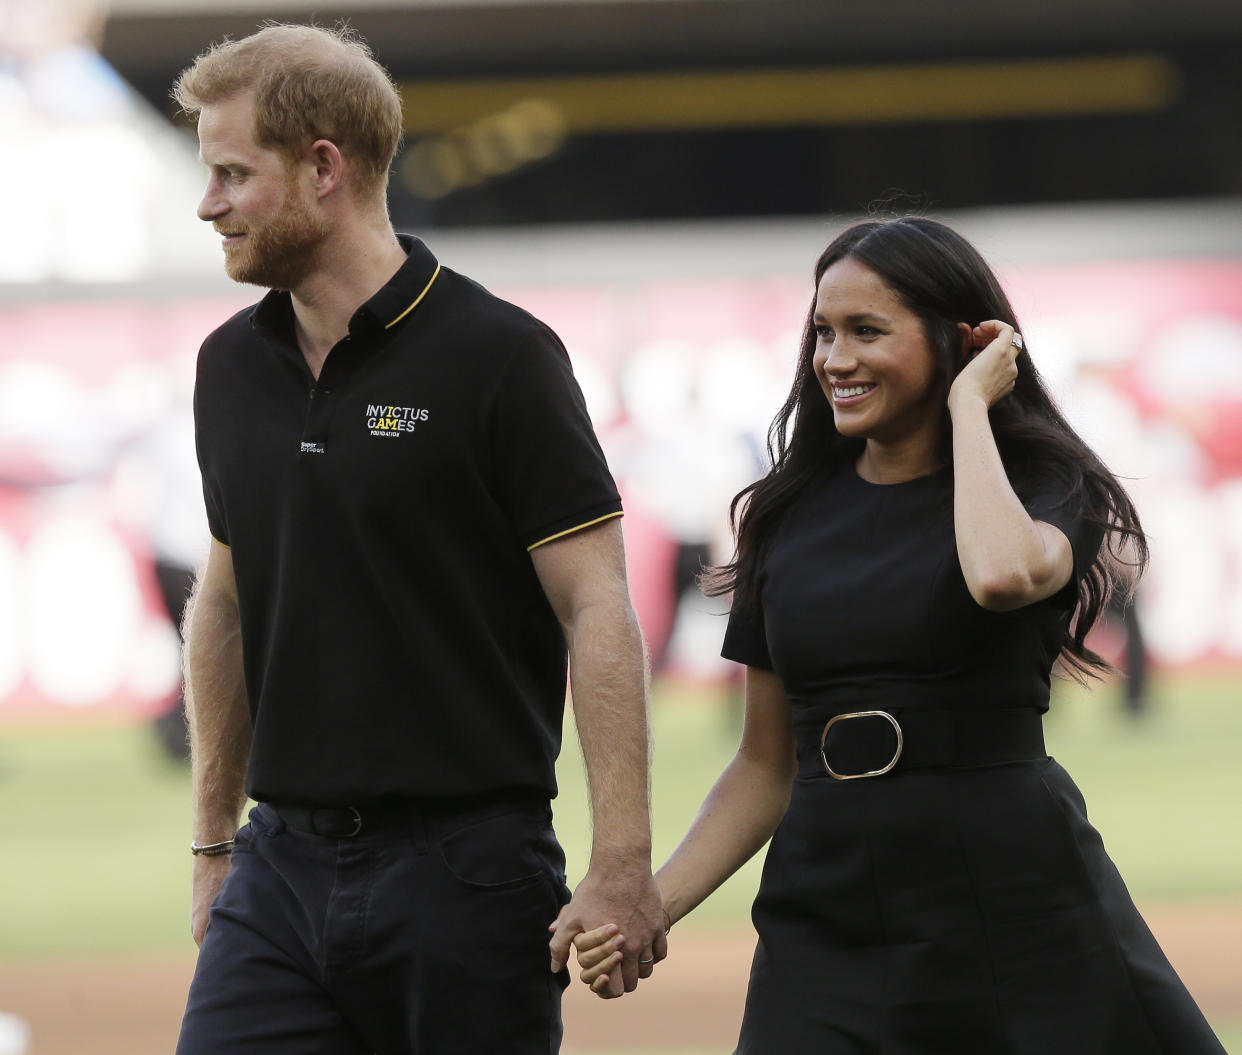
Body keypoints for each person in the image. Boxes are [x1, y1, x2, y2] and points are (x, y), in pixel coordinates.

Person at [553, 216, 1226, 1053]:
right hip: (828, 907)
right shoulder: (784, 516)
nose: (836, 359)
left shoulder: (1048, 483)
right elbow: (766, 763)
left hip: (1012, 895)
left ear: (958, 340)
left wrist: (970, 409)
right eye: (824, 333)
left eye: (868, 331)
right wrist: (650, 904)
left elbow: (1003, 574)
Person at [171, 24, 664, 1055]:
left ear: (321, 169)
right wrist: (215, 842)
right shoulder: (227, 368)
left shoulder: (503, 357)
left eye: (229, 172)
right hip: (279, 869)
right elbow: (223, 598)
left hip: (468, 872)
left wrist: (622, 859)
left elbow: (596, 605)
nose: (206, 202)